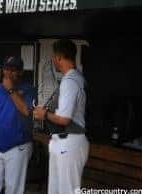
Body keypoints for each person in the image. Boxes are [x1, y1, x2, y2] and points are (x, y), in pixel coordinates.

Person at [33, 39, 89, 194]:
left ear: (58, 57)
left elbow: (64, 119)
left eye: (53, 56)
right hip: (64, 140)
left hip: (69, 141)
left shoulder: (70, 81)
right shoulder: (74, 78)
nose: (53, 60)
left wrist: (43, 114)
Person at [0, 56, 35, 194]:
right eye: (6, 69)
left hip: (17, 147)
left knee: (13, 190)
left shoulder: (29, 90)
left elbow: (26, 111)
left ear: (20, 72)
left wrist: (11, 90)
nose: (8, 73)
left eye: (13, 70)